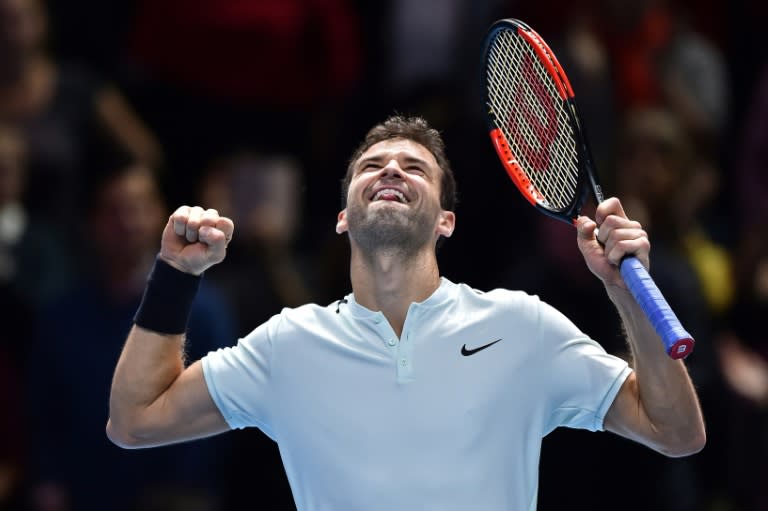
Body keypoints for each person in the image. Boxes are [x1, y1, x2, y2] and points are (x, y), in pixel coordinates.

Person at [107, 115, 705, 510]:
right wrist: (175, 277)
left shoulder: (523, 327)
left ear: (445, 221)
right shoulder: (286, 345)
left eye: (414, 167)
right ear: (343, 216)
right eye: (372, 166)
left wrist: (626, 293)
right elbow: (134, 422)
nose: (391, 168)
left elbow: (676, 433)